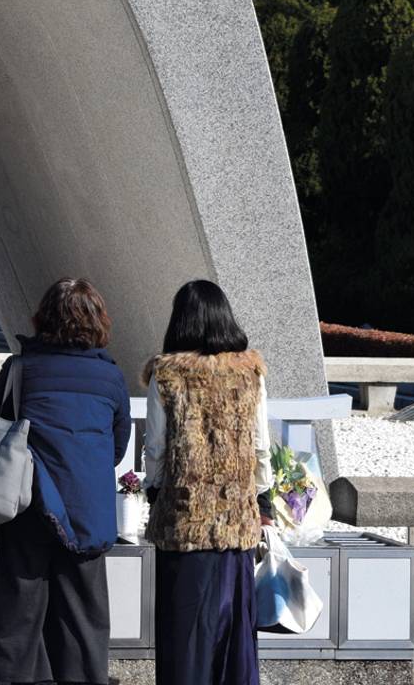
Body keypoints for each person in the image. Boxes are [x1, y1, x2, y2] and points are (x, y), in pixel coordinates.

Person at [0, 277, 131, 685]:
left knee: (20, 615)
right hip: (87, 511)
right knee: (84, 617)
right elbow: (117, 448)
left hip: (28, 502)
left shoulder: (21, 369)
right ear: (97, 321)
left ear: (44, 317)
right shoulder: (110, 377)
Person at [142, 280, 273, 685]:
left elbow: (156, 450)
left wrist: (155, 492)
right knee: (234, 639)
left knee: (185, 640)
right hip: (236, 528)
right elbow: (261, 448)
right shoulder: (251, 373)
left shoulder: (166, 375)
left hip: (184, 528)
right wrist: (262, 502)